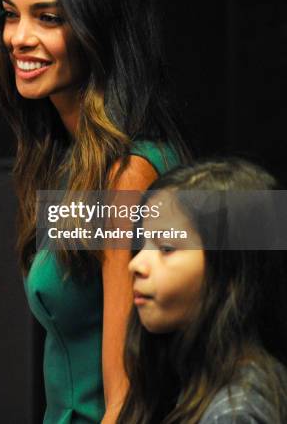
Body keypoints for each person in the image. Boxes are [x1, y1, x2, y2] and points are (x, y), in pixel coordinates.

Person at [0, 0, 190, 423]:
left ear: (100, 28)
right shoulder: (69, 157)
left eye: (49, 18)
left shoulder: (128, 173)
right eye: (11, 15)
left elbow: (126, 401)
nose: (18, 37)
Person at [120, 158, 287, 424]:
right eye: (141, 245)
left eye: (166, 248)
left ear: (229, 270)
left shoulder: (234, 414)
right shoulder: (187, 382)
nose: (135, 264)